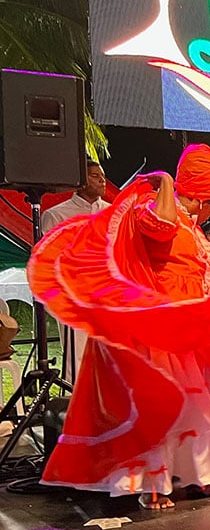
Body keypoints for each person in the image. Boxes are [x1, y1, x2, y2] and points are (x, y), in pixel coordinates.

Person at [28, 144, 210, 510]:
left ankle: (194, 476)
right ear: (202, 195)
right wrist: (167, 182)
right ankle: (152, 484)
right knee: (163, 404)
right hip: (157, 325)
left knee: (197, 403)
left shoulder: (192, 227)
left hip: (187, 326)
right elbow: (160, 226)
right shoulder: (152, 208)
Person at [41, 161, 111, 384]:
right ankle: (76, 401)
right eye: (94, 175)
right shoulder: (56, 215)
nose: (102, 180)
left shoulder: (114, 213)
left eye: (102, 175)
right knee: (78, 358)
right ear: (80, 181)